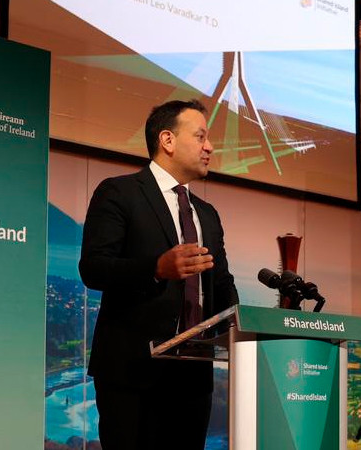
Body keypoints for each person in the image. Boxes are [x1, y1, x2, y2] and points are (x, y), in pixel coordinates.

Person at [79, 99, 239, 449]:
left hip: (193, 379)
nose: (210, 147)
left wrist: (243, 322)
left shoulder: (207, 214)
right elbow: (93, 267)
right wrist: (155, 268)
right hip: (132, 374)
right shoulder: (119, 193)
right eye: (200, 136)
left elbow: (222, 284)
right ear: (167, 140)